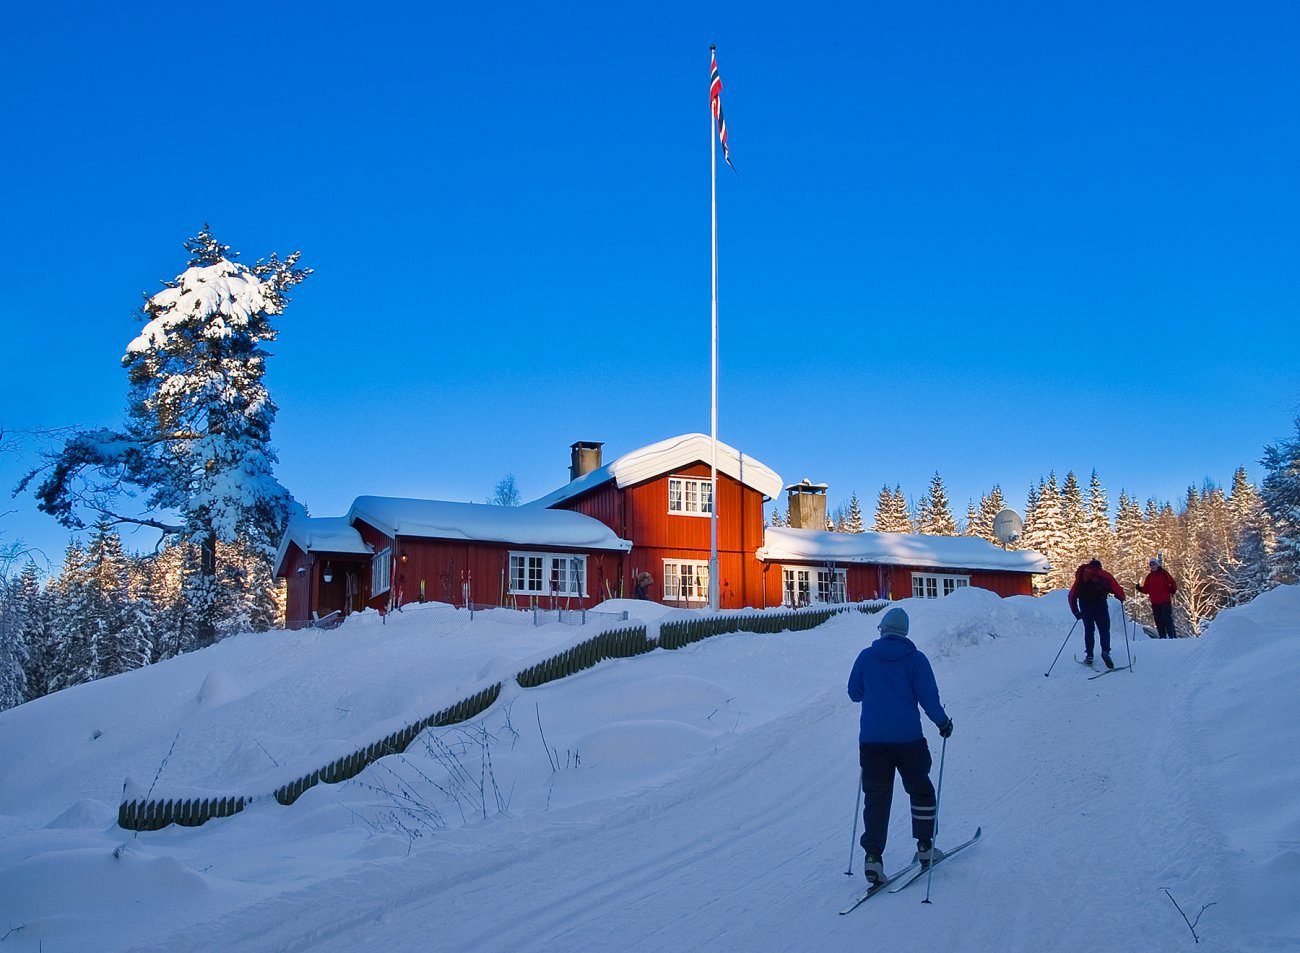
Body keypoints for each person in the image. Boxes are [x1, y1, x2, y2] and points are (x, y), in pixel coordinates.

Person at [846, 607, 953, 885]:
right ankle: (926, 847)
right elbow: (929, 698)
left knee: (876, 798)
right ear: (905, 632)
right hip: (908, 741)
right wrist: (943, 723)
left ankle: (873, 858)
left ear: (882, 629)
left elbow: (854, 693)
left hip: (872, 742)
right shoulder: (916, 660)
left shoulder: (866, 657)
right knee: (920, 790)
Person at [1067, 558, 1126, 668]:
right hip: (1100, 604)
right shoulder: (1104, 575)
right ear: (1099, 566)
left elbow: (1071, 595)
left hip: (1085, 605)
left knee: (1089, 630)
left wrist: (1076, 611)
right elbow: (1116, 588)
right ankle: (1105, 651)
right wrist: (1121, 597)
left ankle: (1089, 655)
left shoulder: (1081, 577)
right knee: (1104, 629)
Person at [1137, 558, 1178, 638]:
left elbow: (1172, 582)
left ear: (1157, 565)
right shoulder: (1149, 577)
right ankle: (1162, 637)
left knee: (1167, 619)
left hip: (1165, 600)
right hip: (1155, 602)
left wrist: (1172, 589)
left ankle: (1172, 636)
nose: (1152, 566)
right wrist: (1140, 589)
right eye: (1151, 565)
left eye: (1154, 564)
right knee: (1158, 620)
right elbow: (1146, 589)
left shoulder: (1164, 574)